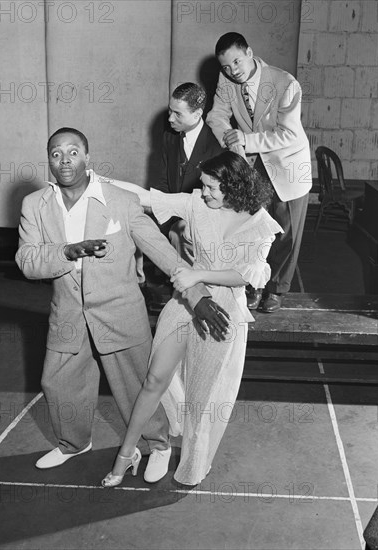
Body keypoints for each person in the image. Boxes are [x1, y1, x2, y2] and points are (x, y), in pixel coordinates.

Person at [15, 127, 229, 478]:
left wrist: (197, 294)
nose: (64, 160)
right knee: (58, 383)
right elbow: (27, 260)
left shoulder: (120, 201)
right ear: (49, 161)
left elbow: (161, 251)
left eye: (72, 152)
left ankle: (157, 444)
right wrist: (67, 252)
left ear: (87, 157)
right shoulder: (34, 205)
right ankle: (73, 443)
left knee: (136, 386)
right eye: (56, 153)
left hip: (120, 312)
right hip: (68, 315)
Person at [102, 151, 282, 487]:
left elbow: (250, 274)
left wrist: (198, 274)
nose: (205, 192)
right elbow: (146, 197)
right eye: (204, 186)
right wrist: (99, 181)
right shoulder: (197, 204)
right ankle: (126, 455)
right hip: (185, 301)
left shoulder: (260, 222)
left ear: (234, 186)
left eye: (213, 187)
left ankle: (193, 466)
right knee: (155, 380)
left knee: (202, 399)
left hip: (223, 312)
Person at [206, 32, 312, 312]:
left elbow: (288, 133)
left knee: (285, 233)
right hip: (254, 164)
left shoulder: (285, 83)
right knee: (255, 229)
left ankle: (276, 289)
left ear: (250, 53)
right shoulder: (227, 79)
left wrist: (244, 140)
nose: (233, 71)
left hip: (289, 165)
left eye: (237, 62)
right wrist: (229, 136)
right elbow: (215, 116)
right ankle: (255, 284)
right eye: (226, 67)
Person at [153, 82, 222, 262]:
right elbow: (162, 180)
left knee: (179, 233)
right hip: (174, 212)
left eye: (178, 114)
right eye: (170, 111)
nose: (170, 119)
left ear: (197, 114)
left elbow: (220, 200)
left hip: (207, 215)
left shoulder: (217, 146)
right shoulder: (169, 136)